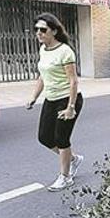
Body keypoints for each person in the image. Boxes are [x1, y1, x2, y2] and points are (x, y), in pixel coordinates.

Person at [26, 13, 84, 192]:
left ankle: (65, 177)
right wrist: (34, 97)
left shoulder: (65, 51)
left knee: (61, 138)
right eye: (36, 29)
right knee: (44, 137)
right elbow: (42, 76)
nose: (38, 33)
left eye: (43, 30)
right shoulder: (43, 49)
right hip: (50, 99)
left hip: (67, 99)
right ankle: (73, 159)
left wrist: (70, 107)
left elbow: (73, 81)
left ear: (54, 30)